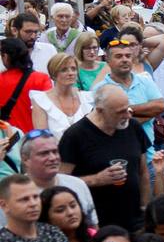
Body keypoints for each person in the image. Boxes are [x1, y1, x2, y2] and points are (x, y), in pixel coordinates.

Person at [58, 84, 151, 230]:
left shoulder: (133, 127)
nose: (127, 115)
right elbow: (61, 182)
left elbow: (143, 172)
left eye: (128, 109)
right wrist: (97, 179)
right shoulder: (75, 135)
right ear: (100, 111)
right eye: (120, 112)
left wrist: (145, 211)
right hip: (97, 225)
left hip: (135, 222)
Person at [28, 53, 92, 139]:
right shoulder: (41, 101)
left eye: (73, 69)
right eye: (64, 70)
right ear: (54, 74)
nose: (70, 73)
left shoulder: (87, 98)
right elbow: (42, 140)